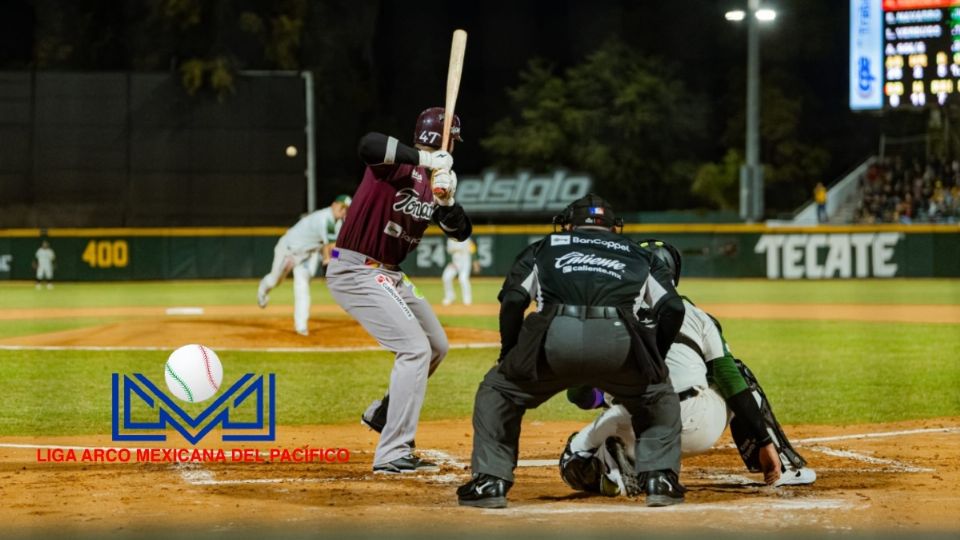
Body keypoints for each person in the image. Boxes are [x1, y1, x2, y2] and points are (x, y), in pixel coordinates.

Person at [456, 194, 687, 509]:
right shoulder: (639, 255)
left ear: (568, 224)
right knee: (657, 397)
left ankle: (490, 482)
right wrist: (654, 360)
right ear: (614, 228)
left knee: (498, 392)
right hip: (618, 343)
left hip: (553, 340)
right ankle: (660, 479)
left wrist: (510, 354)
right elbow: (673, 307)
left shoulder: (543, 247)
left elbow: (512, 301)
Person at [559, 239, 816, 498]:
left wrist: (605, 396)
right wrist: (763, 440)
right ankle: (779, 464)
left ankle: (616, 468)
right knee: (737, 372)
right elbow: (730, 380)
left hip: (636, 425)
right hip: (699, 426)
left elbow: (578, 395)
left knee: (574, 457)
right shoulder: (696, 314)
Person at [327, 107, 472, 474]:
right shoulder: (395, 164)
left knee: (436, 346)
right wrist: (426, 158)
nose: (455, 145)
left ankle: (383, 413)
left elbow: (461, 233)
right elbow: (368, 144)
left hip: (390, 274)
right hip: (357, 267)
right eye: (452, 139)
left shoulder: (434, 179)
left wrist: (446, 203)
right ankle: (392, 452)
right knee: (413, 349)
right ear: (440, 139)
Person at [257, 195, 352, 336]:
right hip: (289, 250)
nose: (343, 210)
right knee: (275, 280)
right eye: (341, 206)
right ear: (333, 204)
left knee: (302, 286)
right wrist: (331, 261)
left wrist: (333, 260)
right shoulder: (324, 218)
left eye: (346, 209)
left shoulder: (338, 224)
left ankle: (301, 326)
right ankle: (262, 291)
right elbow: (330, 248)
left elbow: (333, 248)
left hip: (307, 255)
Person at [441, 237, 481, 306]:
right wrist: (450, 261)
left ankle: (467, 299)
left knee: (463, 279)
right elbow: (448, 251)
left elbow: (472, 249)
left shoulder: (465, 237)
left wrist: (475, 261)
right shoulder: (450, 239)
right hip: (455, 261)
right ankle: (450, 297)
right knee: (446, 277)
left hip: (465, 260)